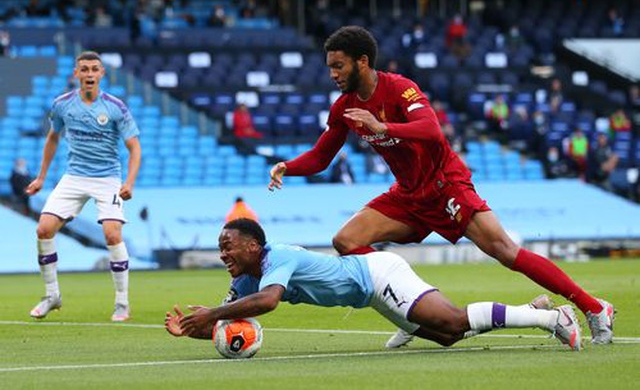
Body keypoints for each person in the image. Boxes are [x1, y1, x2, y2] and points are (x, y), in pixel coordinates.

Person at [267, 26, 613, 347]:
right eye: (330, 67)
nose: (333, 74)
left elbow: (431, 130)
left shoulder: (400, 88)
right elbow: (322, 155)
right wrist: (289, 167)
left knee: (505, 251)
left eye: (339, 66)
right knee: (346, 240)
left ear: (363, 61)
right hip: (408, 195)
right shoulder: (344, 107)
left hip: (446, 185)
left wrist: (384, 128)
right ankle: (410, 308)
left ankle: (593, 307)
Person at [165, 219, 582, 351]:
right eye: (221, 249)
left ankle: (551, 317)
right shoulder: (243, 278)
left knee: (453, 322)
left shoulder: (279, 256)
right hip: (370, 297)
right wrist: (189, 329)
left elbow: (268, 302)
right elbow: (219, 324)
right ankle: (531, 307)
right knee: (449, 338)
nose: (224, 255)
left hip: (378, 274)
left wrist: (215, 313)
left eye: (229, 247)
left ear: (254, 245)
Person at [25, 51, 141, 322]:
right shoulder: (62, 105)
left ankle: (122, 303)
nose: (89, 74)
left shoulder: (115, 107)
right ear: (76, 74)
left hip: (107, 179)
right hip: (74, 177)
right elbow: (52, 138)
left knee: (112, 235)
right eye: (84, 69)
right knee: (43, 229)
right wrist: (41, 178)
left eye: (94, 69)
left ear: (102, 74)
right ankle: (52, 295)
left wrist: (129, 182)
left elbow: (134, 148)